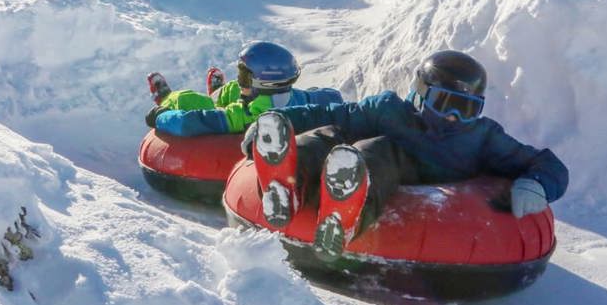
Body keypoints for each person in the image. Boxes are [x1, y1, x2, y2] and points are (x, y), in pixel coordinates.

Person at [242, 50, 570, 258]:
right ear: (420, 96)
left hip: (391, 168)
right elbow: (331, 114)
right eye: (446, 104)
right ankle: (284, 184)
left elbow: (543, 162)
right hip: (361, 153)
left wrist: (537, 183)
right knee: (329, 135)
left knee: (375, 151)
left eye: (468, 108)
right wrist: (277, 122)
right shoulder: (388, 110)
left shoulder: (481, 136)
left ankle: (343, 219)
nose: (455, 116)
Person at [146, 41, 343, 136]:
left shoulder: (248, 116)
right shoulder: (295, 97)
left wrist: (161, 117)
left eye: (244, 77)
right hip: (260, 97)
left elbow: (190, 123)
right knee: (233, 89)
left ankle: (165, 99)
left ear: (264, 83)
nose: (240, 81)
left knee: (187, 99)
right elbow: (332, 96)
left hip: (233, 111)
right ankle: (217, 92)